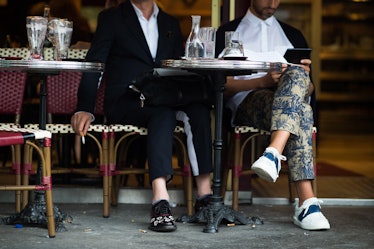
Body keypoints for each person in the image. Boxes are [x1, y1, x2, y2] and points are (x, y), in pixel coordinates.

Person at [70, 0, 213, 232]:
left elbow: (177, 66)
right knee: (162, 113)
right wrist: (85, 106)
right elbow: (95, 64)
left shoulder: (170, 23)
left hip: (163, 95)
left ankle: (205, 198)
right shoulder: (112, 18)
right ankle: (160, 201)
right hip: (126, 99)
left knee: (198, 110)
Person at [215, 0, 330, 231]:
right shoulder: (229, 32)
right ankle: (307, 203)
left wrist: (303, 76)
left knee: (301, 95)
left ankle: (272, 153)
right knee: (301, 112)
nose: (272, 2)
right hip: (248, 103)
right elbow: (220, 85)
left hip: (286, 105)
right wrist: (263, 81)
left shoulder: (293, 35)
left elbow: (310, 91)